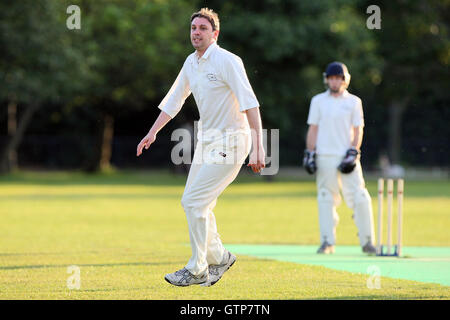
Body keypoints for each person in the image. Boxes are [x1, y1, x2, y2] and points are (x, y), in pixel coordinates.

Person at [136, 8, 265, 286]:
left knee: (195, 201)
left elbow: (250, 103)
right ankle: (219, 256)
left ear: (215, 33)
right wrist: (153, 132)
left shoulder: (228, 61)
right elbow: (174, 100)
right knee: (193, 203)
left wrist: (259, 147)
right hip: (207, 142)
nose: (196, 32)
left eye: (203, 28)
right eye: (193, 28)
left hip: (232, 141)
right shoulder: (190, 63)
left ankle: (197, 268)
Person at [303, 61, 376, 255]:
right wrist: (310, 153)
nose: (335, 81)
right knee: (326, 197)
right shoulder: (318, 101)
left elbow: (358, 129)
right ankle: (327, 242)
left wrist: (353, 152)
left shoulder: (354, 102)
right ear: (327, 79)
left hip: (346, 156)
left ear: (345, 80)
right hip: (325, 156)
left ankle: (367, 241)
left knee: (360, 197)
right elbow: (313, 129)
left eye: (339, 78)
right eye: (332, 78)